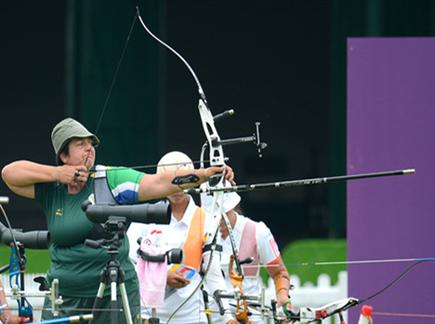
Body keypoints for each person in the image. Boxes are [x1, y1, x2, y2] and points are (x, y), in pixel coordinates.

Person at [1, 118, 234, 323]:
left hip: (113, 290)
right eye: (80, 144)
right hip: (64, 294)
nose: (89, 149)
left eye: (91, 144)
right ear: (63, 154)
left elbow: (159, 183)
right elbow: (9, 174)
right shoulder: (51, 189)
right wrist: (58, 174)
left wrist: (205, 174)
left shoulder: (109, 178)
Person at [127, 151, 238, 324]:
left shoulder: (205, 220)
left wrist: (228, 318)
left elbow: (213, 275)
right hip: (148, 315)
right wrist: (162, 277)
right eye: (171, 182)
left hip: (191, 316)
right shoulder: (144, 217)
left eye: (183, 181)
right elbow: (127, 265)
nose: (177, 188)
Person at [201, 189, 292, 324]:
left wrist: (282, 295)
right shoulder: (199, 233)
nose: (219, 218)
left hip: (250, 317)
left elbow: (279, 273)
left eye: (223, 212)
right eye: (213, 214)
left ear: (233, 206)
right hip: (210, 317)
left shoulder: (257, 231)